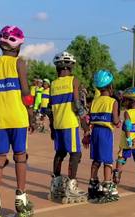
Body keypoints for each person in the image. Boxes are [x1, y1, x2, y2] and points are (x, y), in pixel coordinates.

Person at [0, 25, 35, 217]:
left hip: (0, 120)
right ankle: (21, 197)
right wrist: (31, 116)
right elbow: (26, 94)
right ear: (18, 46)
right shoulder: (19, 63)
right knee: (20, 156)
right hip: (18, 118)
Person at [49, 51, 88, 203]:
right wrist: (84, 123)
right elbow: (77, 104)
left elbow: (49, 109)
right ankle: (71, 186)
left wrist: (52, 128)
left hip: (58, 123)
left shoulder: (52, 84)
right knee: (75, 154)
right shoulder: (74, 81)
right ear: (70, 67)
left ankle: (56, 184)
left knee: (60, 153)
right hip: (69, 123)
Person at [88, 70, 120, 202]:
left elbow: (90, 118)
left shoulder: (94, 102)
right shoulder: (113, 102)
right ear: (111, 86)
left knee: (96, 159)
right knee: (107, 160)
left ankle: (93, 183)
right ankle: (107, 185)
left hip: (95, 132)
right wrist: (118, 122)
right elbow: (116, 120)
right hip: (106, 133)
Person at [113, 87, 135, 191]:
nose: (125, 102)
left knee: (121, 158)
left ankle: (116, 179)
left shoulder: (127, 112)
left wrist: (129, 139)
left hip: (126, 141)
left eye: (127, 100)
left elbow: (127, 125)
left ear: (131, 101)